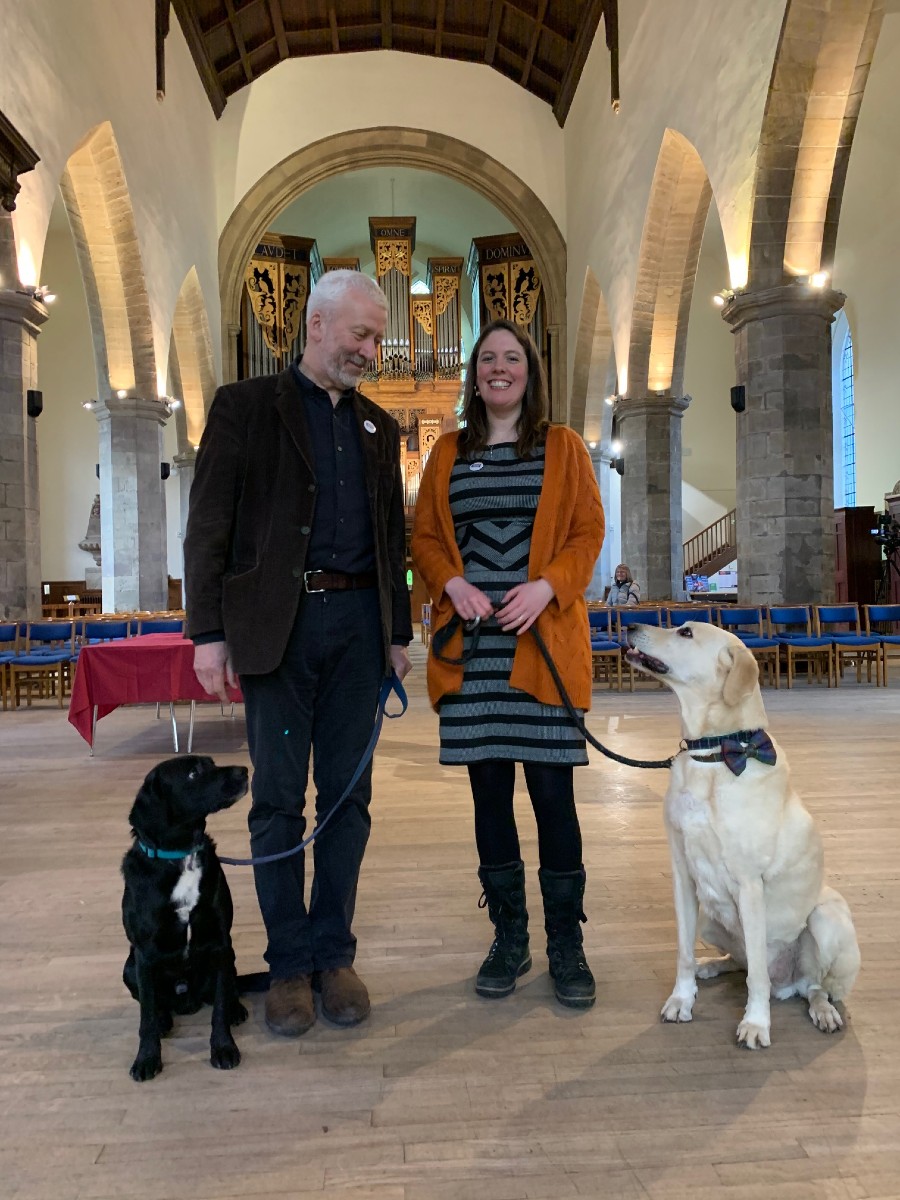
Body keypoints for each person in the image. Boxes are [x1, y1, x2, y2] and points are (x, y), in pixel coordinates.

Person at [184, 270, 413, 1039]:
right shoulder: (245, 407)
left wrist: (398, 632)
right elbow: (208, 523)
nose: (371, 351)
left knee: (349, 798)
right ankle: (287, 963)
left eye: (377, 337)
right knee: (278, 802)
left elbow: (395, 540)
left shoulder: (381, 428)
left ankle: (333, 953)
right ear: (315, 323)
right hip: (276, 632)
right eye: (361, 335)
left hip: (358, 630)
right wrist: (207, 634)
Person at [411, 319, 605, 1009]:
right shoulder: (447, 452)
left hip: (542, 643)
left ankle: (566, 944)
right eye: (488, 358)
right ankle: (509, 937)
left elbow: (587, 530)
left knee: (554, 798)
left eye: (512, 357)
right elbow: (427, 537)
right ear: (474, 373)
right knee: (488, 795)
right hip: (474, 652)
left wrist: (548, 585)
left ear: (530, 370)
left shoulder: (563, 447)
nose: (500, 367)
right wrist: (451, 583)